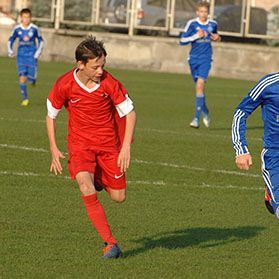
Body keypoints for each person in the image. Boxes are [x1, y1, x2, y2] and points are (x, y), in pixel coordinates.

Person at [46, 36, 136, 259]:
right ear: (81, 65)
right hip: (80, 146)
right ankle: (110, 243)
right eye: (95, 66)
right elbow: (51, 115)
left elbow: (130, 114)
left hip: (108, 146)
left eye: (102, 65)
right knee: (85, 188)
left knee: (119, 197)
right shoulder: (65, 84)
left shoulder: (109, 83)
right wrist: (54, 149)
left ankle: (98, 178)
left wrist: (125, 148)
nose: (100, 71)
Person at [232, 72, 279, 220]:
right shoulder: (269, 84)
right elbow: (241, 112)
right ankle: (272, 196)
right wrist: (241, 149)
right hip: (276, 156)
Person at [179, 1, 220, 128]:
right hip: (193, 59)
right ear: (197, 12)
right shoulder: (192, 24)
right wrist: (196, 35)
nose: (203, 14)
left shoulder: (213, 24)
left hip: (206, 59)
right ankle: (205, 111)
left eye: (205, 12)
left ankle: (196, 119)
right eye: (201, 11)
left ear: (208, 13)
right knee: (199, 89)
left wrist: (217, 38)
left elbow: (216, 36)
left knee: (200, 86)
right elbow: (182, 40)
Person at [7, 8, 44, 106]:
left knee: (31, 78)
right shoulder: (17, 29)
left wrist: (38, 52)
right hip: (21, 57)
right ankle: (25, 99)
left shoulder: (34, 28)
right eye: (24, 17)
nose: (26, 19)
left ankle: (33, 80)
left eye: (28, 17)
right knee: (22, 77)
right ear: (21, 18)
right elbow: (11, 39)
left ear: (30, 18)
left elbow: (41, 40)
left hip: (32, 56)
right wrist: (10, 50)